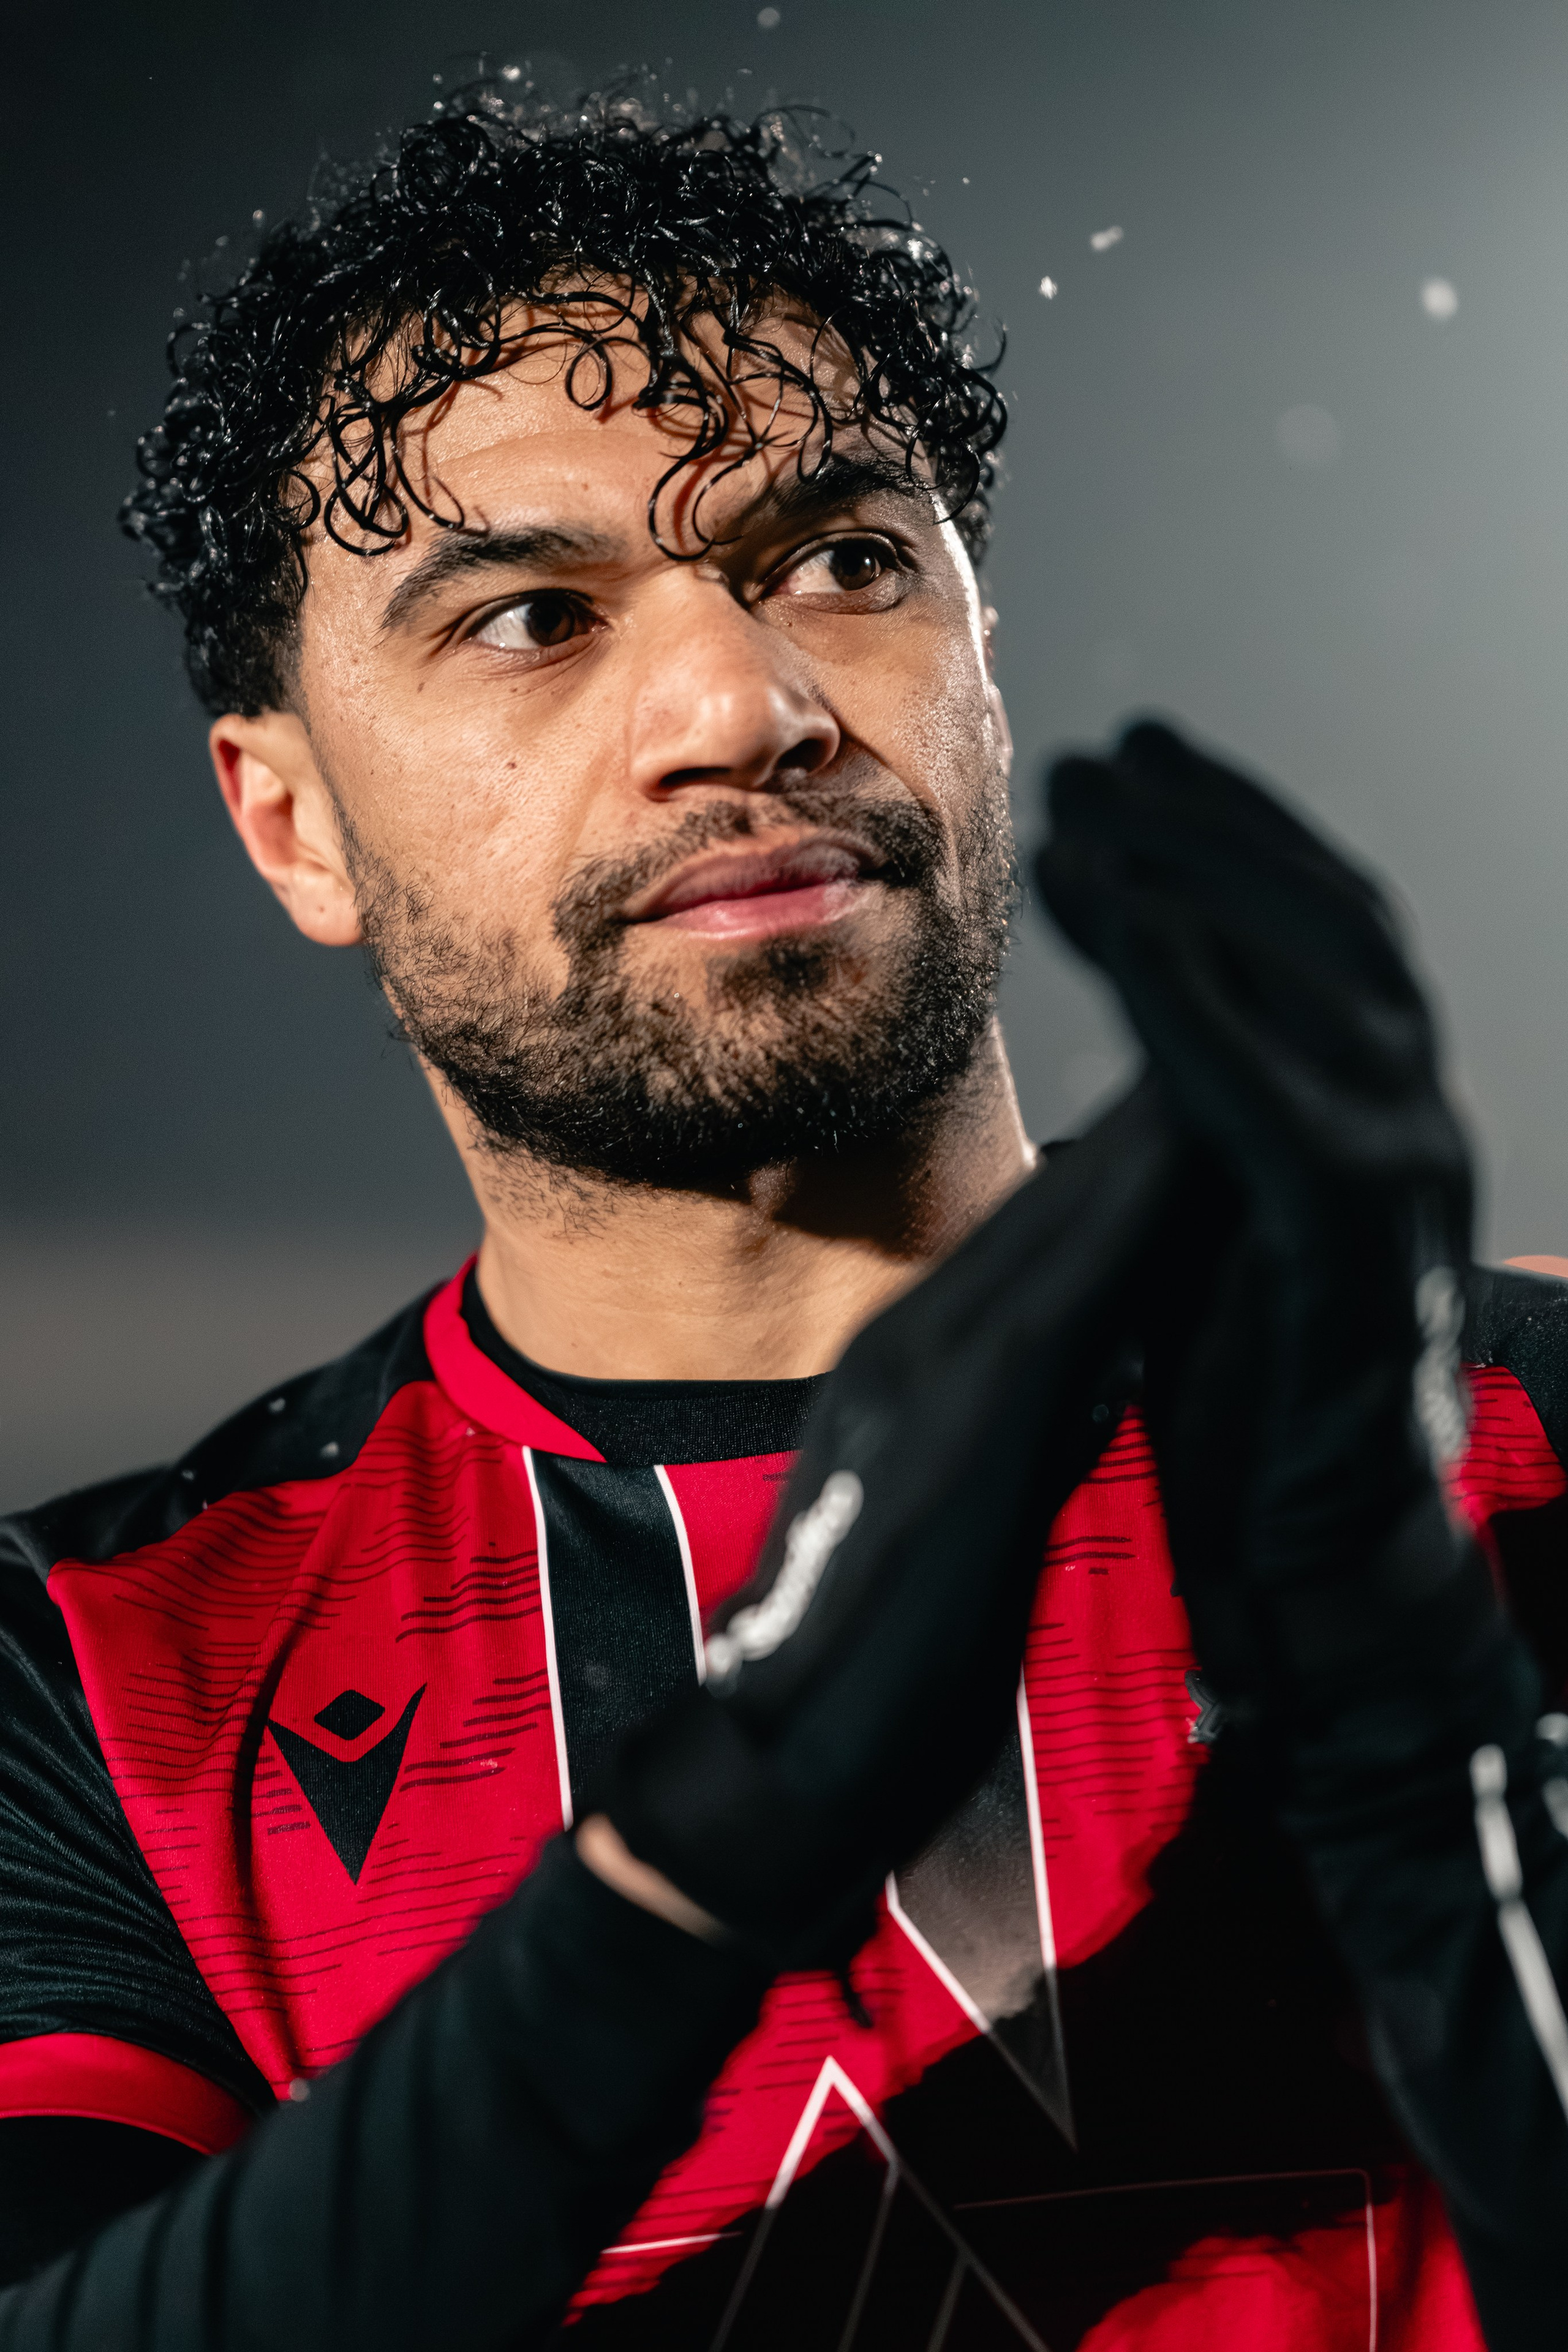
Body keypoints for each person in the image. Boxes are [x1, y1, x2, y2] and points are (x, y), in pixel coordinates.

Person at [0, 82, 1562, 2349]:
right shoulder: (103, 1671)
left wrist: (1435, 1739)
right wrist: (718, 1846)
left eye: (844, 557)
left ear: (985, 658)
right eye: (535, 616)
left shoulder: (1536, 1442)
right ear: (292, 825)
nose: (749, 700)